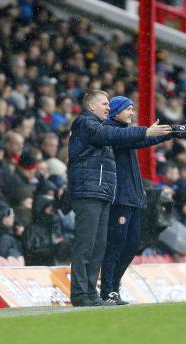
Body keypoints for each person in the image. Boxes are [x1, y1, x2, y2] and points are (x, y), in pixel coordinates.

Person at [68, 90, 172, 307]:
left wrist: (169, 132)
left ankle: (91, 294)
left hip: (102, 192)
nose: (108, 107)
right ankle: (80, 294)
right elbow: (115, 135)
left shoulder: (101, 129)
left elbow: (124, 138)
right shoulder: (85, 124)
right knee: (86, 246)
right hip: (88, 191)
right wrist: (146, 131)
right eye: (104, 104)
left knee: (97, 247)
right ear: (91, 107)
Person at [100, 96, 186, 305]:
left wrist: (172, 132)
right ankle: (107, 290)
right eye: (128, 109)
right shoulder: (110, 131)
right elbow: (137, 137)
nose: (131, 113)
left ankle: (113, 286)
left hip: (133, 197)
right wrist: (147, 132)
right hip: (120, 198)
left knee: (132, 243)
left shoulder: (127, 134)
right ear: (115, 111)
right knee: (115, 244)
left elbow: (143, 139)